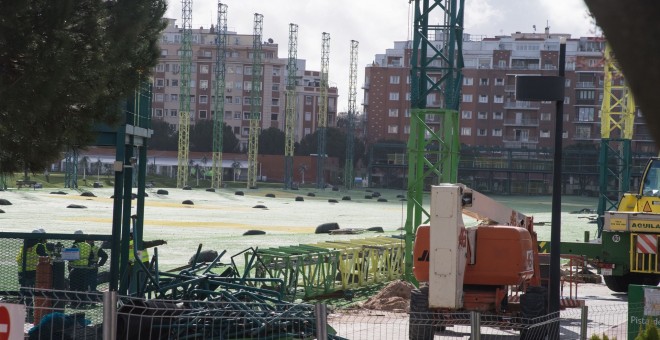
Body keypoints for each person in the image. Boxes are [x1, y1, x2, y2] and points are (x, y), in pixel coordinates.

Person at [68, 230, 92, 294]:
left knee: (73, 287)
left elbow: (71, 259)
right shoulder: (88, 246)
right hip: (85, 270)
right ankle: (82, 302)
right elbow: (91, 257)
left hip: (75, 269)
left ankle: (74, 302)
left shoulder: (75, 246)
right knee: (82, 287)